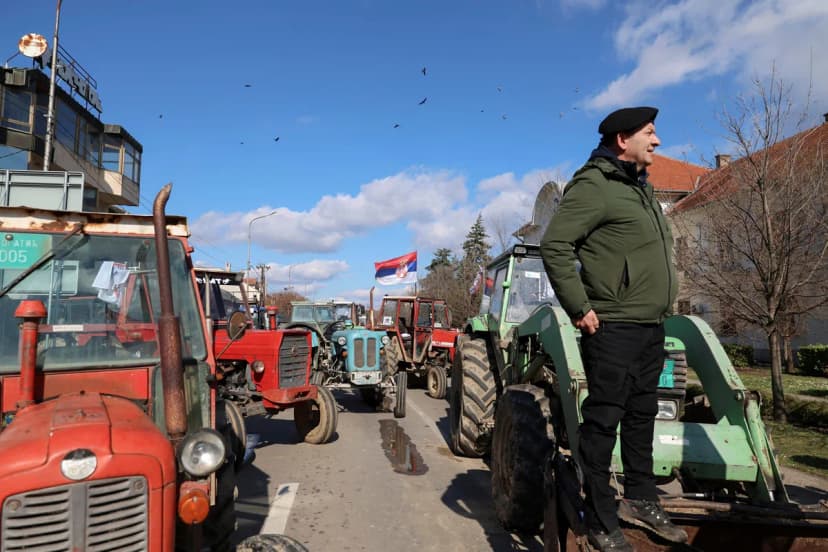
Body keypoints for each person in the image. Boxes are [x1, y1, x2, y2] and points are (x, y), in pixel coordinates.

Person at [540, 106, 688, 551]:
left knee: (643, 415)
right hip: (613, 325)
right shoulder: (595, 185)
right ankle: (602, 517)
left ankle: (642, 500)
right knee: (605, 421)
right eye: (650, 132)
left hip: (648, 324)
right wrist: (580, 307)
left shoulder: (640, 189)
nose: (657, 140)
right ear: (623, 139)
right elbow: (556, 244)